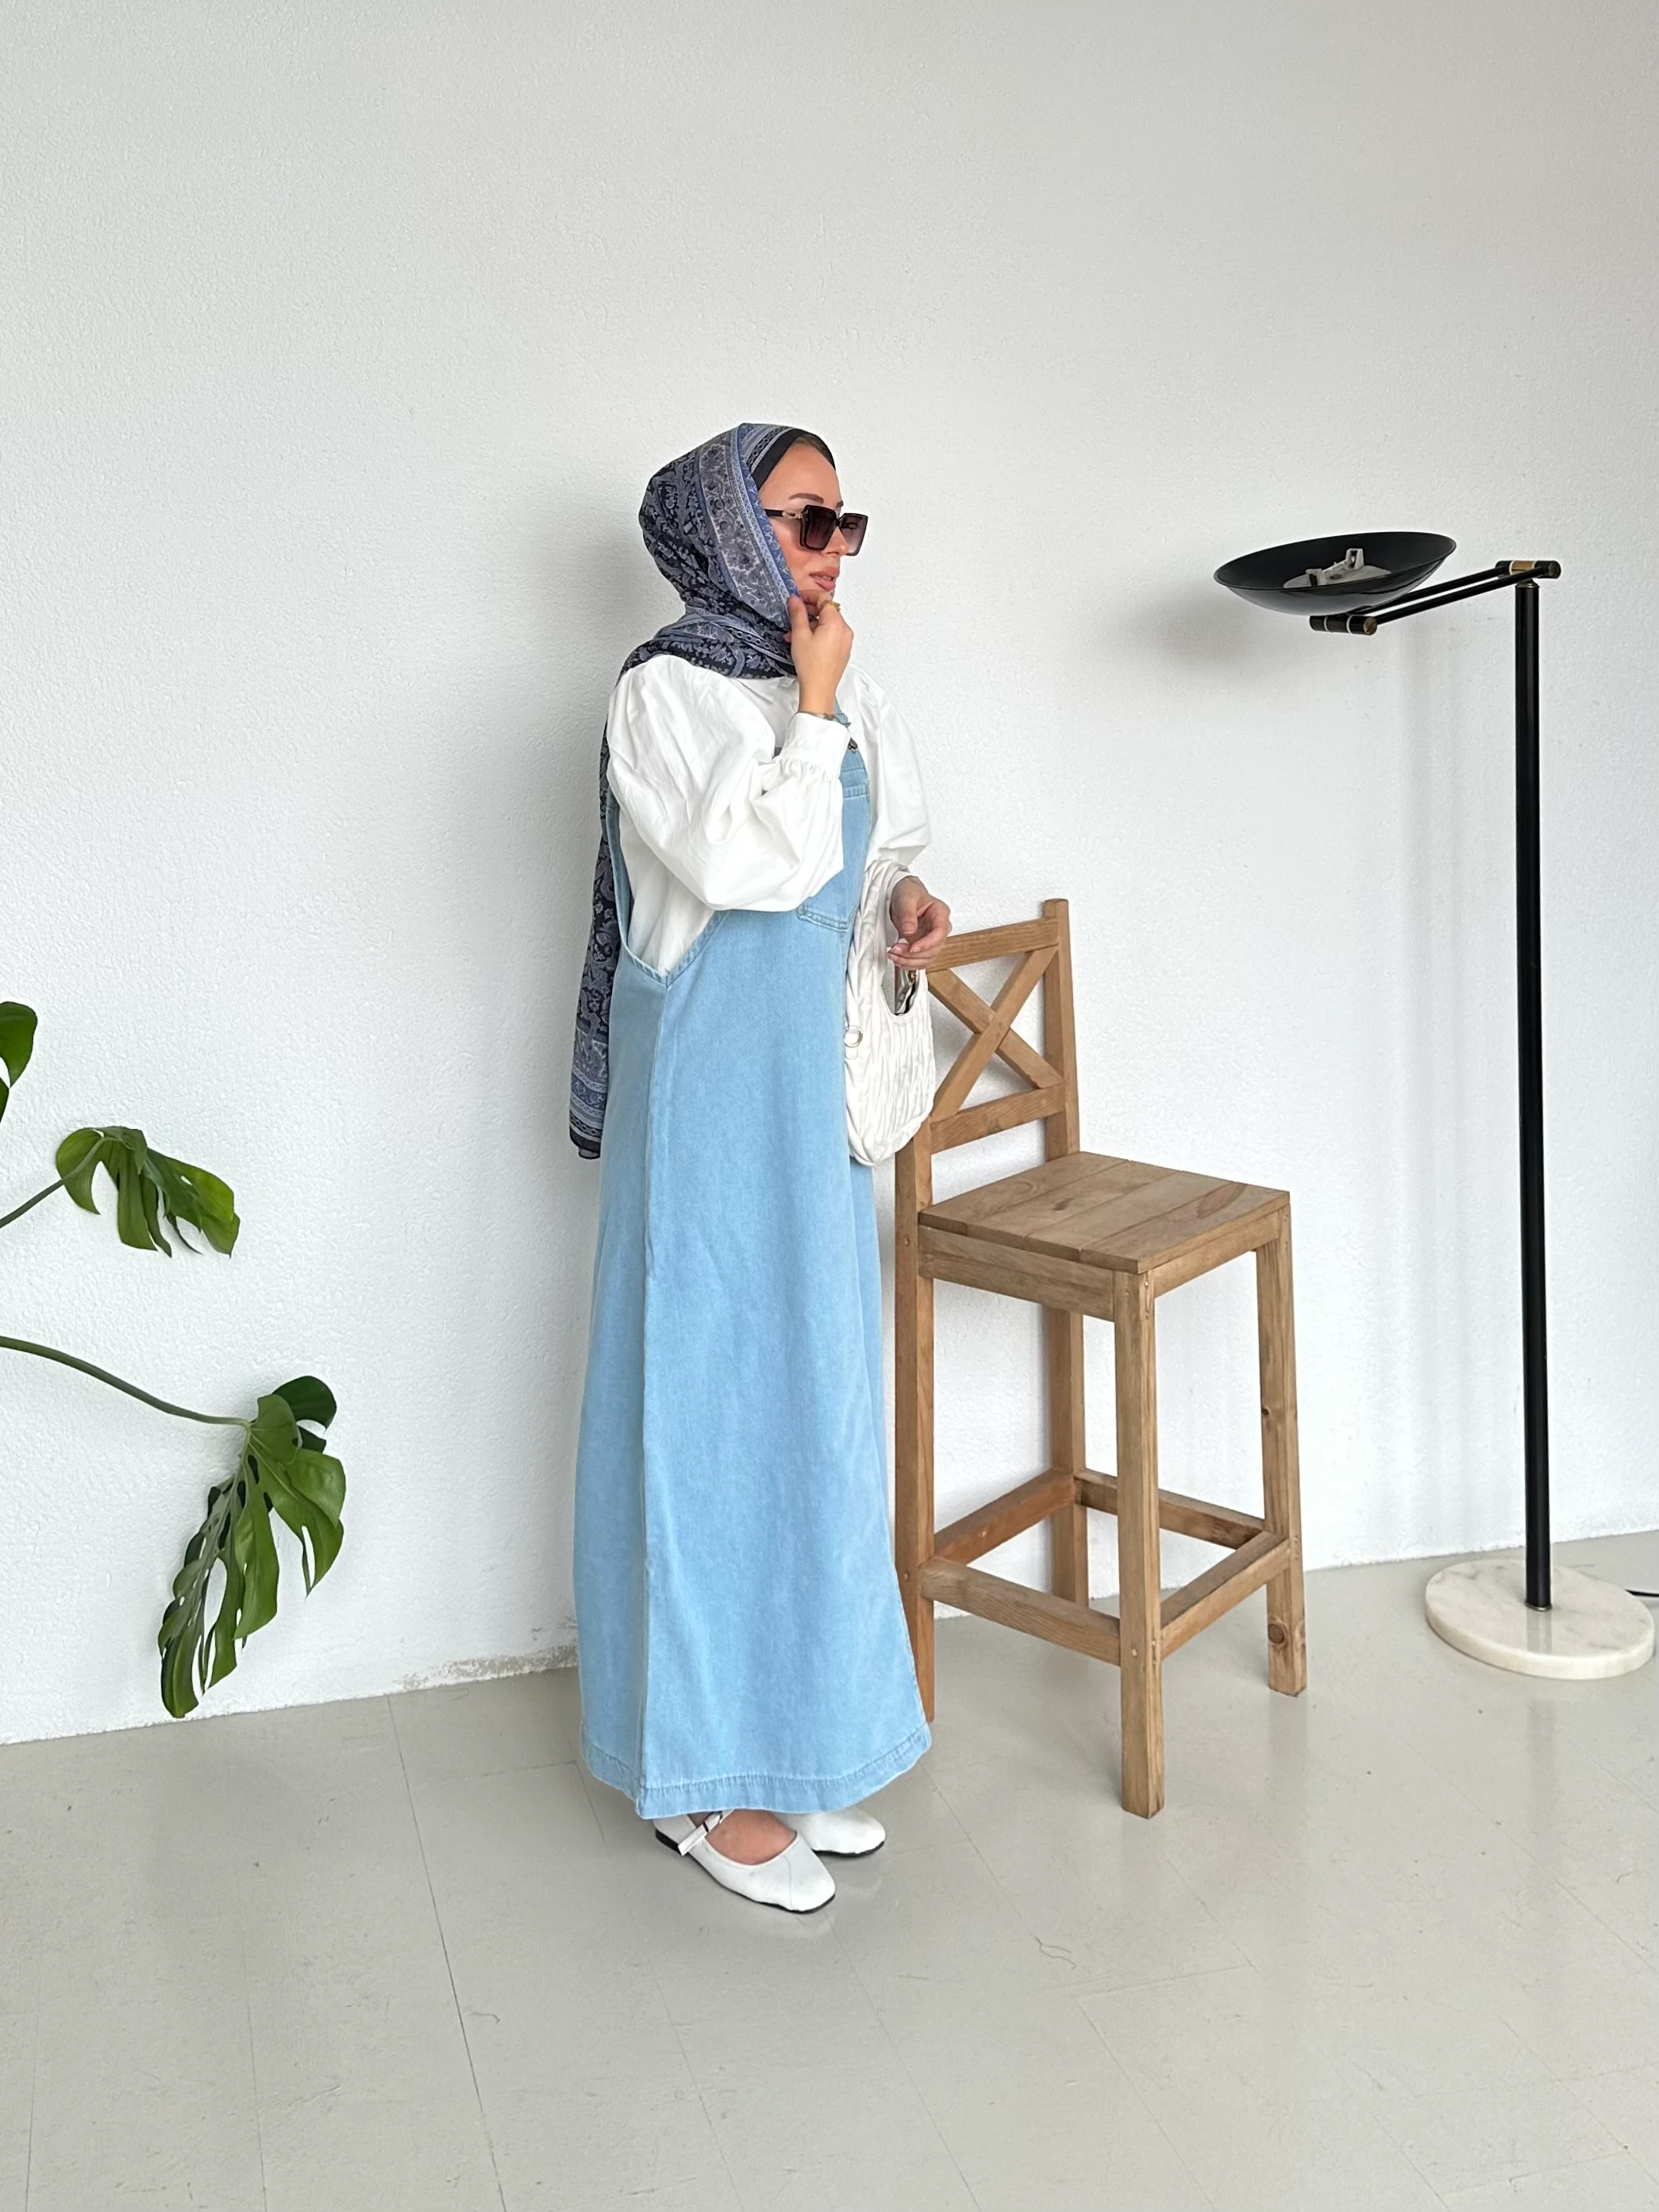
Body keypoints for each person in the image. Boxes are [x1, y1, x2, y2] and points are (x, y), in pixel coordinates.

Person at [568, 422, 949, 1913]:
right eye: (805, 519)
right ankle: (696, 1777)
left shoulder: (834, 684)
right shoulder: (664, 693)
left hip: (809, 1097)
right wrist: (815, 703)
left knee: (811, 1411)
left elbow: (866, 853)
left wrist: (905, 900)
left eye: (847, 523)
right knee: (704, 1415)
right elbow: (744, 867)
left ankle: (787, 1743)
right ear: (727, 524)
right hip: (712, 1101)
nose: (833, 550)